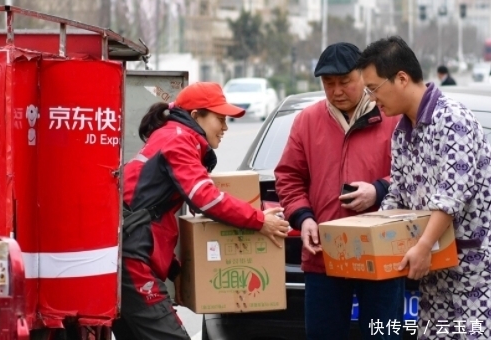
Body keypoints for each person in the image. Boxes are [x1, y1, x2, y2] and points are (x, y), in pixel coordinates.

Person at [112, 82, 290, 340]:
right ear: (196, 116)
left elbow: (151, 216)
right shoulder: (179, 141)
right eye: (220, 119)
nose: (226, 127)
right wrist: (259, 220)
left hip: (128, 252)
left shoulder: (172, 136)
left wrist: (176, 270)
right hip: (131, 257)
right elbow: (207, 198)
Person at [357, 35, 491, 339]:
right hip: (434, 271)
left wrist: (423, 246)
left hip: (475, 271)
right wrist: (372, 234)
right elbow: (398, 193)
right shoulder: (401, 133)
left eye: (374, 88)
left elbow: (452, 195)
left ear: (401, 78)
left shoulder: (452, 119)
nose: (372, 99)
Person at [274, 42, 404, 340]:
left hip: (381, 253)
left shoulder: (392, 118)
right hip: (324, 254)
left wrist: (378, 189)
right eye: (328, 84)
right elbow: (289, 177)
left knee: (382, 334)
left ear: (363, 76)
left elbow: (414, 176)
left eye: (344, 82)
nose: (336, 91)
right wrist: (303, 218)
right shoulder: (307, 121)